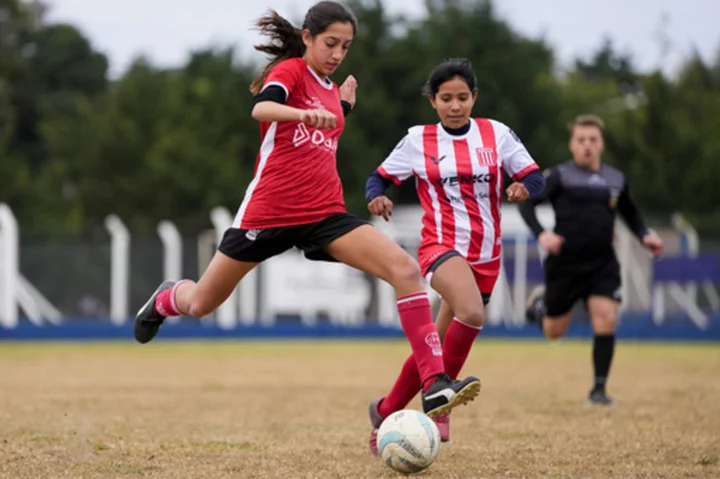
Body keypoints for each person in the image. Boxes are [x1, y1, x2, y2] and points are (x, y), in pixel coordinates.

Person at [133, 1, 481, 419]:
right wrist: (304, 112)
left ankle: (434, 385)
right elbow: (261, 108)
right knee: (201, 304)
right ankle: (168, 297)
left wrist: (343, 107)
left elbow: (322, 132)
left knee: (405, 271)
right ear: (308, 38)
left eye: (346, 47)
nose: (337, 54)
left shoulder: (332, 91)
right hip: (268, 214)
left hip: (324, 214)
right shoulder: (291, 72)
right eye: (330, 43)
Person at [364, 58, 546, 452]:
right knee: (471, 312)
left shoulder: (495, 134)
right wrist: (376, 196)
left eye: (462, 97)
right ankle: (438, 404)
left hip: (487, 254)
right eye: (446, 98)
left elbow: (534, 174)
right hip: (440, 246)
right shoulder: (418, 140)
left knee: (437, 344)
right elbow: (379, 176)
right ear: (433, 102)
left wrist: (524, 189)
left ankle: (385, 410)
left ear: (474, 98)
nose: (455, 106)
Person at [518, 114, 663, 406]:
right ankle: (541, 305)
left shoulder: (615, 179)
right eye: (581, 140)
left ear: (601, 144)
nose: (587, 145)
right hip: (565, 263)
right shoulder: (559, 176)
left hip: (602, 263)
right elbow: (527, 203)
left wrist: (644, 234)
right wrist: (542, 234)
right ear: (572, 145)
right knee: (553, 332)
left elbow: (631, 213)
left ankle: (598, 390)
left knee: (606, 318)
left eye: (592, 140)